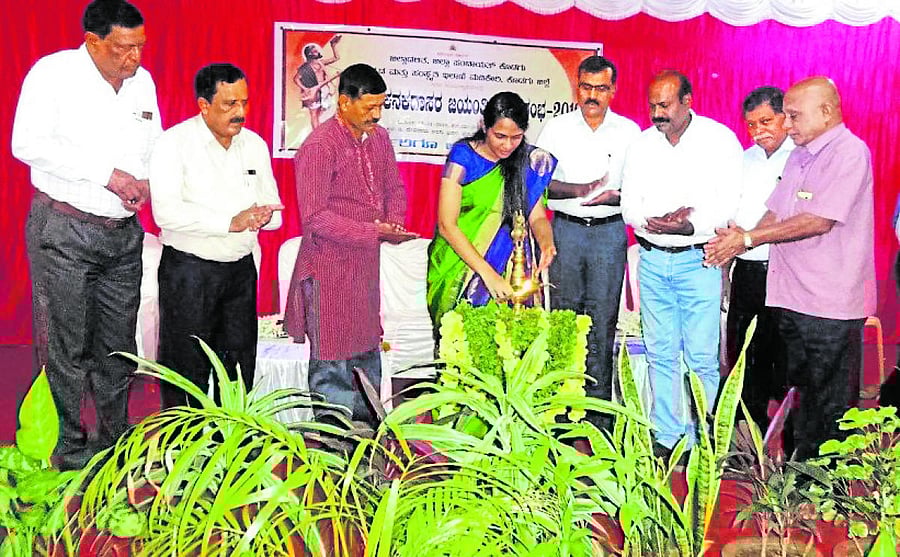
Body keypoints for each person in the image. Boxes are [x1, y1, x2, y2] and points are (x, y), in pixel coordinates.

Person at [11, 0, 161, 470]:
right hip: (65, 230)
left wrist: (147, 181)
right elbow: (26, 143)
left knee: (119, 346)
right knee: (67, 345)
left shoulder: (143, 82)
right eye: (123, 48)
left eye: (139, 47)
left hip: (123, 235)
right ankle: (71, 446)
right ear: (93, 41)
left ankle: (115, 440)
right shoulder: (51, 75)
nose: (133, 58)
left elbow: (153, 141)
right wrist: (108, 175)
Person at [704, 77, 875, 460]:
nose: (788, 125)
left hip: (830, 304)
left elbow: (819, 220)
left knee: (829, 405)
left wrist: (749, 240)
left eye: (794, 116)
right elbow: (777, 210)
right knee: (800, 398)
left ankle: (826, 489)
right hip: (793, 299)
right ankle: (800, 478)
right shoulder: (800, 154)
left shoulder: (849, 153)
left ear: (827, 111)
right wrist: (740, 237)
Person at [284, 63, 415, 427]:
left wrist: (395, 218)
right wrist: (374, 231)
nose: (376, 114)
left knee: (366, 350)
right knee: (332, 363)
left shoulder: (380, 138)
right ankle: (333, 447)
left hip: (364, 268)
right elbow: (314, 218)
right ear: (343, 102)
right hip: (328, 267)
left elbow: (394, 187)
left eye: (380, 106)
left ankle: (367, 445)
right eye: (369, 107)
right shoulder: (319, 147)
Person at [620, 70, 743, 457]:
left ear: (687, 101)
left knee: (701, 356)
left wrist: (692, 225)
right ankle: (666, 436)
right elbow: (629, 205)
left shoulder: (719, 141)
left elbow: (729, 203)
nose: (656, 113)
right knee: (660, 352)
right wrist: (652, 222)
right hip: (653, 261)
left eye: (665, 105)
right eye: (652, 105)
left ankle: (702, 439)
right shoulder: (642, 145)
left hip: (699, 260)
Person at [149, 63, 283, 408]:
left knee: (239, 366)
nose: (240, 113)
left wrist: (264, 217)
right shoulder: (173, 143)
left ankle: (234, 447)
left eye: (244, 102)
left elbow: (273, 208)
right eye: (229, 104)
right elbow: (165, 212)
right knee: (185, 366)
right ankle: (181, 448)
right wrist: (230, 221)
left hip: (239, 271)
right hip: (189, 271)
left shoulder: (254, 144)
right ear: (203, 105)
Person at [535, 55, 640, 431]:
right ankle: (560, 411)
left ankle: (597, 416)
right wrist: (580, 189)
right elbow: (539, 181)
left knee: (602, 322)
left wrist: (616, 197)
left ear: (613, 90)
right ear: (577, 88)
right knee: (563, 318)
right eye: (586, 88)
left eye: (600, 88)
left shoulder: (630, 132)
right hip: (566, 232)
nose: (592, 96)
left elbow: (641, 186)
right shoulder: (556, 128)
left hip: (609, 234)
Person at [427, 91, 557, 332]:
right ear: (484, 126)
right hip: (460, 266)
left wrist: (546, 243)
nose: (508, 145)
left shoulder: (526, 162)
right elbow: (447, 225)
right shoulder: (463, 157)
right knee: (460, 344)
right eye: (500, 136)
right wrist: (487, 275)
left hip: (510, 266)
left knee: (507, 346)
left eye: (516, 137)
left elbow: (537, 216)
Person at [724, 86, 794, 433]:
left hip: (785, 269)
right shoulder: (744, 158)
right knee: (744, 353)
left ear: (785, 117)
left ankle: (780, 439)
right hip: (747, 269)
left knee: (781, 358)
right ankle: (745, 434)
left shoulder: (801, 157)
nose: (758, 131)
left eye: (766, 121)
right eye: (751, 124)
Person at [294, 35, 342, 128]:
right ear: (309, 54)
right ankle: (316, 134)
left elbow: (336, 58)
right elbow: (296, 79)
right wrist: (305, 88)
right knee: (314, 114)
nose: (318, 52)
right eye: (315, 51)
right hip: (314, 91)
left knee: (322, 113)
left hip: (324, 90)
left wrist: (333, 46)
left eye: (317, 50)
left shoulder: (321, 62)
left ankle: (319, 132)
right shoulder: (305, 67)